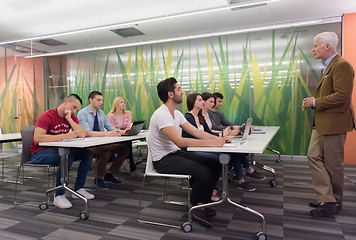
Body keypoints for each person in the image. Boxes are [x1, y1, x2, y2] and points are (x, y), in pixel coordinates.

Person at [148, 77, 225, 228]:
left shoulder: (176, 114)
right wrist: (211, 142)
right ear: (171, 94)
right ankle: (193, 206)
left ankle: (202, 202)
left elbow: (196, 132)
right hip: (163, 161)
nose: (182, 92)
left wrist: (219, 138)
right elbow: (180, 141)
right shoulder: (161, 114)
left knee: (216, 165)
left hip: (175, 154)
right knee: (204, 173)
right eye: (178, 89)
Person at [302, 32, 355, 218]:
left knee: (333, 165)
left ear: (327, 46)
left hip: (334, 123)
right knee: (313, 156)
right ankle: (327, 198)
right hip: (323, 123)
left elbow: (342, 95)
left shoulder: (341, 65)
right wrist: (313, 101)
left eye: (315, 45)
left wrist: (315, 102)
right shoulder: (329, 67)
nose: (313, 49)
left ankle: (334, 201)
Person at [185, 92, 265, 192]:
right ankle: (209, 186)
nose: (203, 103)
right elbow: (196, 136)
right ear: (193, 102)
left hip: (205, 145)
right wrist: (220, 137)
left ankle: (240, 180)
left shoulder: (200, 117)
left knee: (233, 152)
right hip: (194, 148)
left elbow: (208, 133)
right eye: (200, 100)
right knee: (219, 159)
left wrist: (221, 137)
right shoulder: (188, 118)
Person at [30, 94, 95, 209]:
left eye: (76, 109)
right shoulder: (47, 116)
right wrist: (64, 136)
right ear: (66, 102)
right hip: (40, 153)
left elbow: (82, 134)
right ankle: (59, 195)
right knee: (66, 156)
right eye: (73, 107)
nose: (74, 111)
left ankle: (79, 188)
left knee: (87, 154)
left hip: (57, 150)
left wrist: (70, 119)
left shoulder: (71, 116)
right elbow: (38, 138)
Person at [77, 91, 129, 190]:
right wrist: (107, 134)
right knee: (105, 152)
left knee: (124, 149)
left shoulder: (101, 113)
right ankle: (98, 178)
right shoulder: (83, 113)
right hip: (88, 144)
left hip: (101, 142)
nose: (101, 102)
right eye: (98, 100)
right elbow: (87, 133)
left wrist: (122, 131)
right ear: (90, 100)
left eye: (102, 100)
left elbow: (110, 127)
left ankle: (109, 175)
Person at [107, 97, 143, 177]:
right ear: (116, 104)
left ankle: (128, 162)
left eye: (124, 102)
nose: (123, 104)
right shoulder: (111, 116)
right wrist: (123, 131)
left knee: (127, 141)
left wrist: (125, 131)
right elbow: (113, 129)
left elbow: (128, 127)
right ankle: (131, 166)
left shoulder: (128, 114)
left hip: (124, 136)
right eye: (121, 102)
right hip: (114, 138)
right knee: (127, 143)